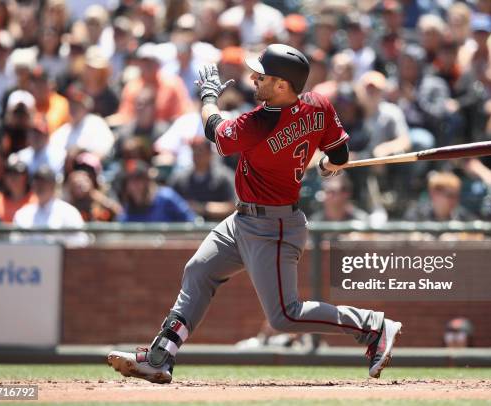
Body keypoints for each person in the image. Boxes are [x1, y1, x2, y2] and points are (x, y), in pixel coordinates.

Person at [107, 44, 402, 384]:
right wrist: (328, 164)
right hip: (242, 220)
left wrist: (207, 98)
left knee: (284, 317)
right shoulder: (318, 104)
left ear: (282, 85)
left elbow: (214, 131)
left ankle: (373, 327)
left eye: (262, 75)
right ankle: (161, 356)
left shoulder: (260, 122)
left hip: (272, 226)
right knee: (199, 270)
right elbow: (341, 153)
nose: (253, 78)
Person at [12, 165, 88, 246]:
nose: (40, 186)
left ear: (53, 185)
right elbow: (15, 245)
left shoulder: (68, 212)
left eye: (44, 182)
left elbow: (80, 244)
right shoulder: (22, 214)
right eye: (37, 182)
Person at [170, 136, 236, 221]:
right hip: (186, 229)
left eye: (200, 151)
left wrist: (203, 208)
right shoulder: (180, 178)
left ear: (210, 153)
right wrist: (184, 207)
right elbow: (169, 204)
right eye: (194, 150)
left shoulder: (224, 176)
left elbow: (234, 207)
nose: (197, 155)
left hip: (217, 227)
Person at [117, 160, 195, 223]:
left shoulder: (166, 197)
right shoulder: (127, 210)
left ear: (147, 181)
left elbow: (192, 221)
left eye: (138, 179)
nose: (134, 185)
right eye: (129, 181)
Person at [404, 171, 476, 221]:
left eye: (457, 196)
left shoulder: (462, 217)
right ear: (434, 194)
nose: (454, 200)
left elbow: (478, 236)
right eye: (450, 195)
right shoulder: (417, 213)